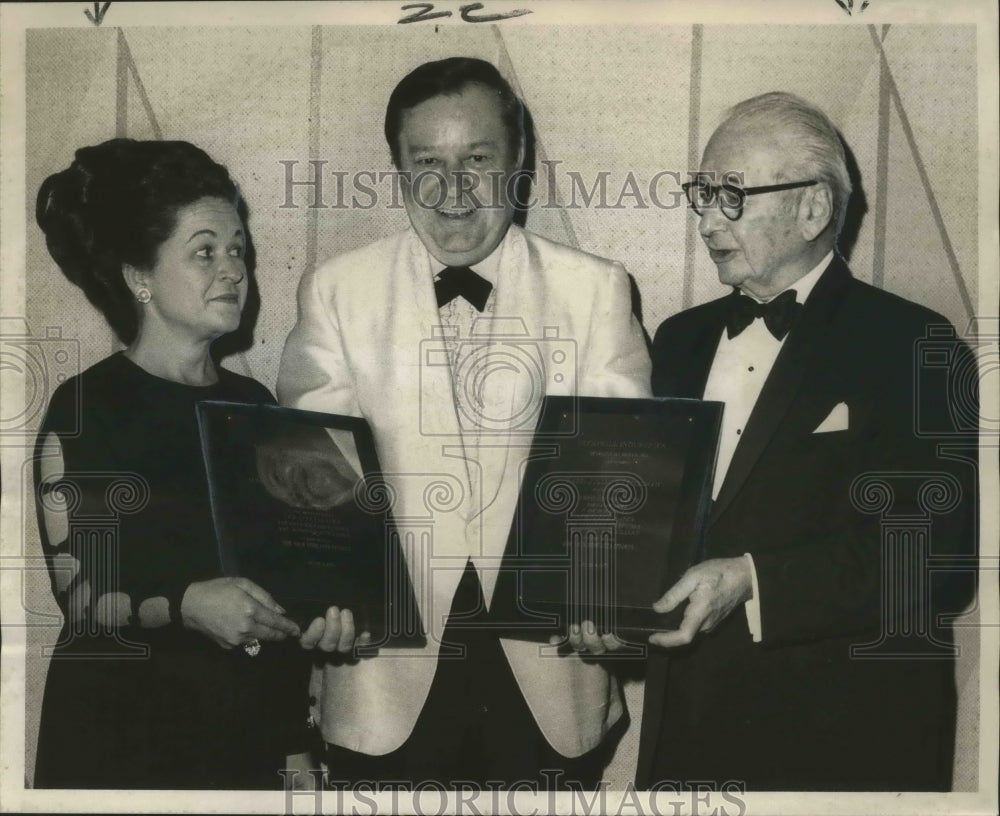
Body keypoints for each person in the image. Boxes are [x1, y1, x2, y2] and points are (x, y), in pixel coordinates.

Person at [277, 57, 652, 789]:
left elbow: (624, 479)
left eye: (477, 160)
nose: (451, 191)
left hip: (552, 675)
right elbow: (312, 495)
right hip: (384, 682)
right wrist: (319, 596)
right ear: (397, 170)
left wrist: (611, 592)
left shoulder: (597, 290)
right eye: (427, 163)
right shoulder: (335, 292)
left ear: (518, 163)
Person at [635, 92, 977, 791]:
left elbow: (935, 558)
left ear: (814, 209)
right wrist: (609, 601)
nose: (705, 221)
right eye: (701, 195)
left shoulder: (915, 342)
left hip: (840, 741)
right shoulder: (678, 339)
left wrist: (753, 581)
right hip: (689, 736)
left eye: (730, 195)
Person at [33, 139, 311, 789]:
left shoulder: (258, 407)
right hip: (120, 744)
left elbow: (278, 589)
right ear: (140, 276)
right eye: (205, 250)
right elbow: (81, 598)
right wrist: (188, 604)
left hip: (241, 746)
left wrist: (296, 749)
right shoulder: (87, 407)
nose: (233, 270)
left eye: (238, 249)